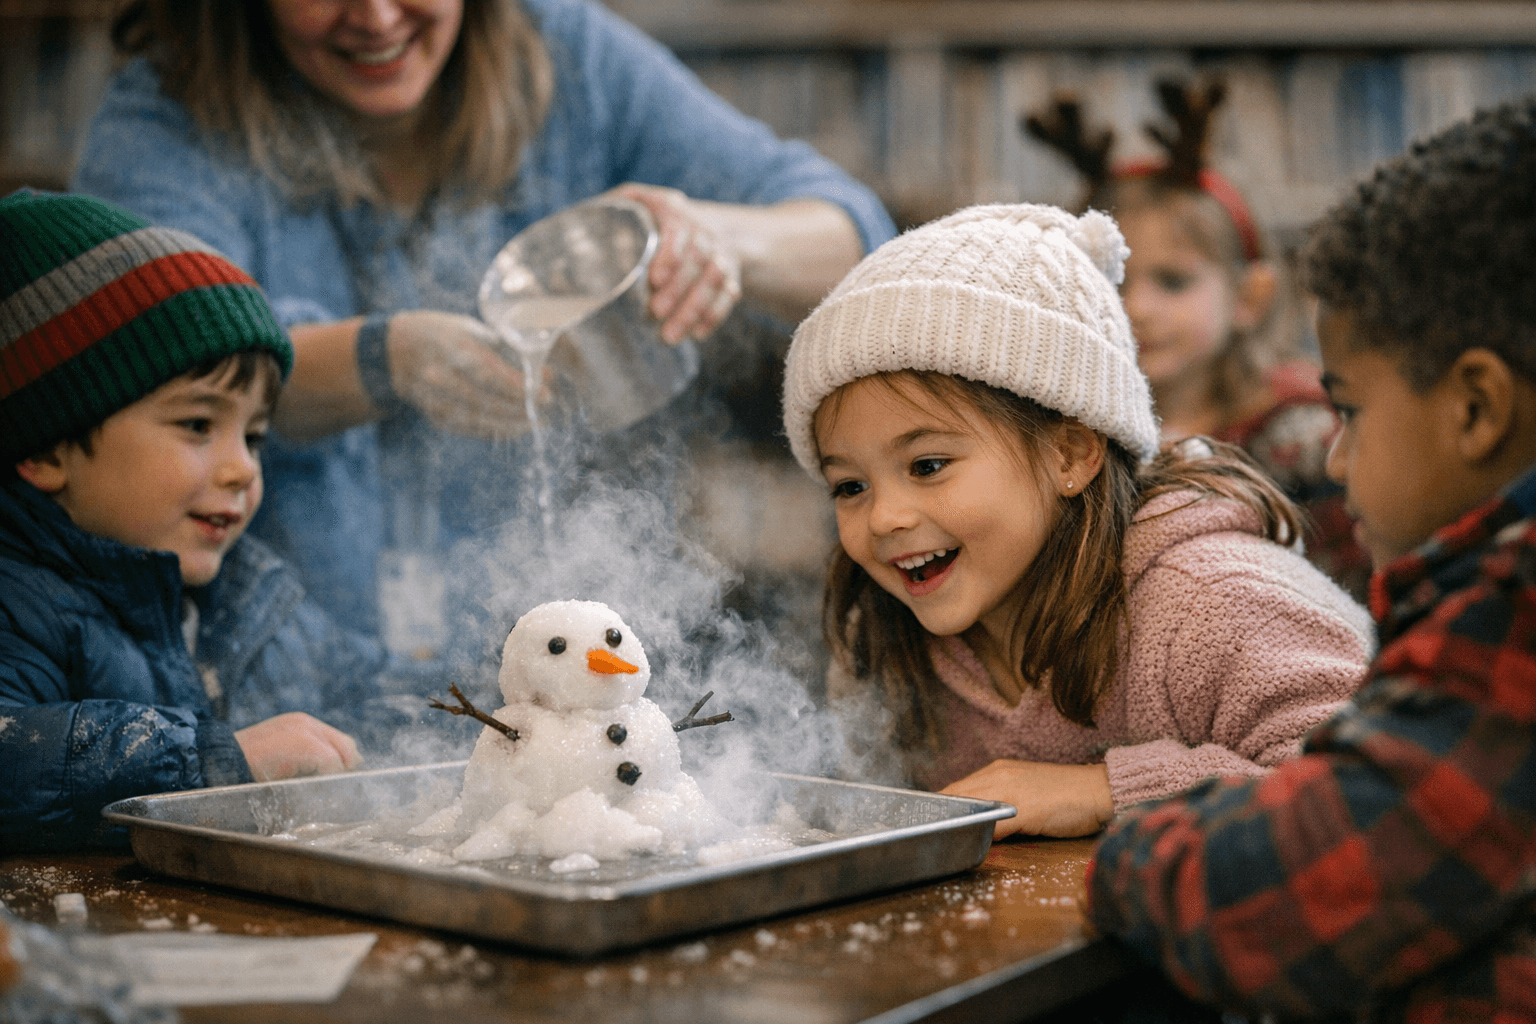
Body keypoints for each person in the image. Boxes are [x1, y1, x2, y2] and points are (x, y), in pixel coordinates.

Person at [71, 0, 897, 635]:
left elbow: (862, 240)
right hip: (272, 673)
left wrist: (724, 238)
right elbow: (154, 367)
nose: (378, 17)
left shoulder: (566, 52)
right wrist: (386, 358)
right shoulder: (167, 114)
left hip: (545, 657)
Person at [1085, 97, 1536, 1022]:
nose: (1334, 456)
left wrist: (1121, 854)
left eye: (1353, 411)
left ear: (1476, 407)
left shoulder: (1514, 616)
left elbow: (1278, 903)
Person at [780, 203, 1373, 840]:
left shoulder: (1210, 597)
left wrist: (1104, 789)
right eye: (850, 486)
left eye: (927, 465)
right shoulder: (881, 638)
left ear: (1069, 454)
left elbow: (1371, 784)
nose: (886, 517)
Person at [0, 191, 400, 852]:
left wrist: (512, 694)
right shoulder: (20, 606)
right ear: (45, 448)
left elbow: (380, 697)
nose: (243, 468)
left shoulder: (254, 597)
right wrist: (212, 763)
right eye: (197, 425)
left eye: (255, 436)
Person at [1025, 79, 1371, 602]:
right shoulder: (1068, 433)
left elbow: (1345, 589)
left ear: (1249, 297)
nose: (1136, 308)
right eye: (1114, 282)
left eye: (1173, 281)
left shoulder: (1304, 438)